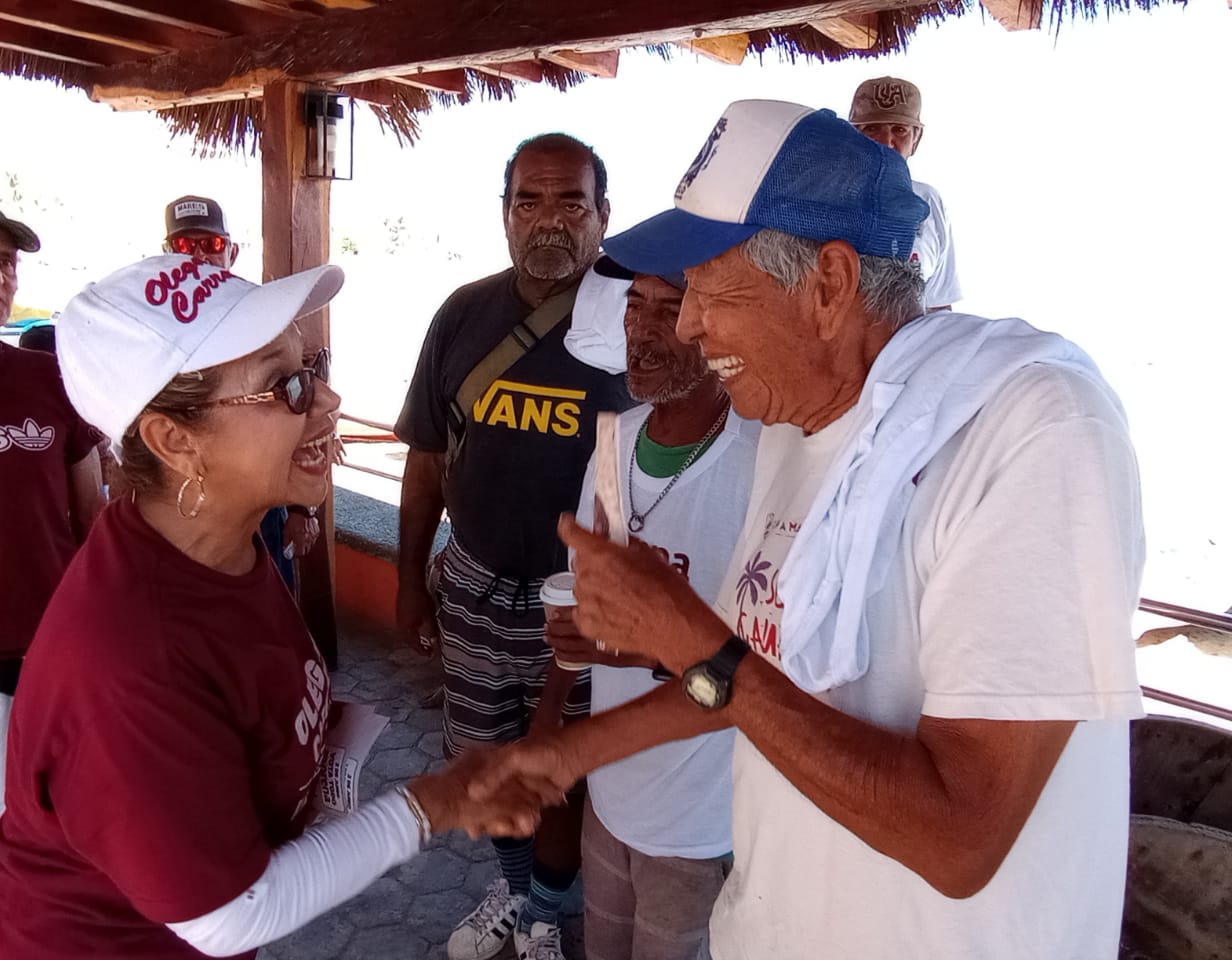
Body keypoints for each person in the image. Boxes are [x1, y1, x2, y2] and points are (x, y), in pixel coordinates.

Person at [471, 100, 1146, 959]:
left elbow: (960, 838)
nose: (684, 324)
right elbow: (755, 678)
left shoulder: (1033, 433)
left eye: (711, 287)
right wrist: (570, 755)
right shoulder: (797, 429)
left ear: (827, 284)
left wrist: (693, 641)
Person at [0, 255, 557, 959]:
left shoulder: (220, 544)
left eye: (315, 365)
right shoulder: (130, 657)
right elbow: (229, 914)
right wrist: (436, 801)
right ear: (174, 441)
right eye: (287, 385)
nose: (328, 401)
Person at [395, 134, 633, 960]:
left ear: (604, 216)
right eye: (529, 200)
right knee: (484, 753)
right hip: (470, 582)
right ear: (504, 214)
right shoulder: (462, 314)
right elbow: (425, 461)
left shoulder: (633, 322)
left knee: (558, 767)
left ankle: (543, 914)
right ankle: (517, 887)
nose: (550, 220)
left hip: (575, 599)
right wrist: (407, 584)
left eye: (572, 201)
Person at [536, 259, 758, 960]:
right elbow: (584, 597)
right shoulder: (611, 442)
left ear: (711, 326)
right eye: (636, 307)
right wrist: (553, 711)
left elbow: (759, 659)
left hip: (699, 817)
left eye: (670, 310)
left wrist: (637, 645)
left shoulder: (756, 461)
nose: (644, 332)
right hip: (610, 791)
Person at [0, 190, 103, 825]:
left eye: (6, 260)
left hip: (44, 657)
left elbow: (92, 518)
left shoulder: (48, 380)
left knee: (38, 840)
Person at [163, 195, 321, 587]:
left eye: (211, 245)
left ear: (231, 251)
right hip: (184, 502)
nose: (198, 256)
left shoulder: (264, 318)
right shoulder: (154, 329)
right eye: (185, 245)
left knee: (269, 608)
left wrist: (302, 508)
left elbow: (299, 406)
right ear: (168, 252)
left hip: (262, 501)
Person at [849, 76, 963, 311]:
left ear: (916, 140)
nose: (886, 142)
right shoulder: (822, 196)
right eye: (872, 129)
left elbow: (938, 305)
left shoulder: (929, 202)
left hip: (911, 347)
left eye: (899, 130)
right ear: (852, 138)